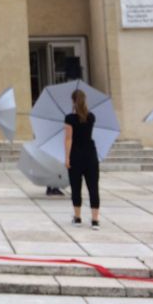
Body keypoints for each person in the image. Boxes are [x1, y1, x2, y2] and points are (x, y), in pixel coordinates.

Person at [64, 89, 100, 230]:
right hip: (91, 154)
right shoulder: (91, 117)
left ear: (73, 101)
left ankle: (77, 217)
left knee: (76, 186)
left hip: (76, 155)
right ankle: (95, 220)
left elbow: (68, 139)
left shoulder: (69, 119)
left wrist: (67, 157)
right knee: (93, 187)